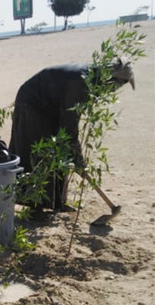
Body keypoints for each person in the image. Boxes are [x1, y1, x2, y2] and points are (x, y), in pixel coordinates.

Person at [8, 57, 134, 217]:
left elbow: (68, 125)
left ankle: (58, 203)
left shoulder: (92, 79)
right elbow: (69, 125)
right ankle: (36, 208)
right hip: (32, 103)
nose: (117, 89)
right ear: (112, 78)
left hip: (50, 106)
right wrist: (78, 158)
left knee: (61, 150)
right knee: (41, 152)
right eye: (120, 83)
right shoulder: (81, 83)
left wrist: (75, 155)